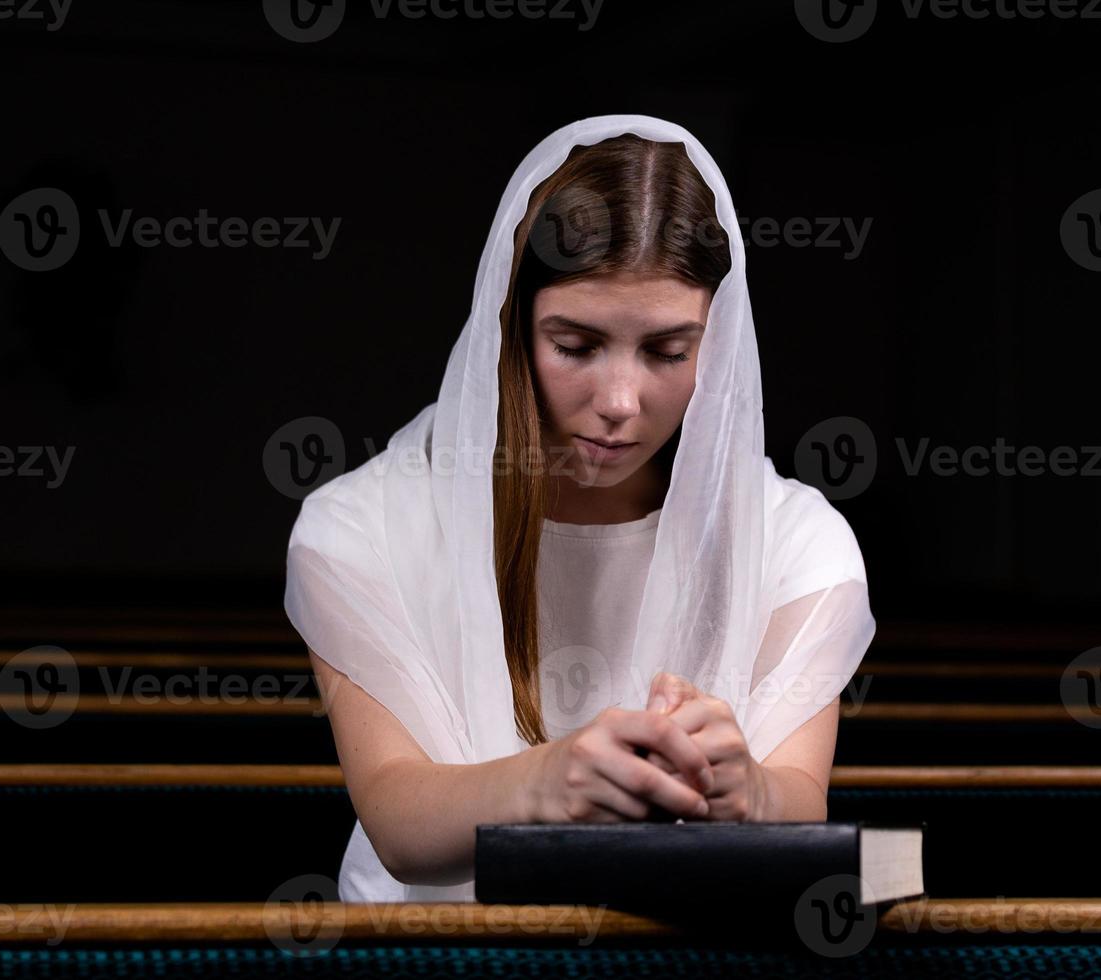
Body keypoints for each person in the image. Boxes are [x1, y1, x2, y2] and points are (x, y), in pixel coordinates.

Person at [283, 114, 876, 902]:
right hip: (433, 962)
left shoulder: (802, 546)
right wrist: (551, 781)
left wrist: (750, 795)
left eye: (669, 351)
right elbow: (398, 820)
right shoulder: (358, 530)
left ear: (721, 341)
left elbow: (800, 801)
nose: (621, 403)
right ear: (513, 325)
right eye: (576, 345)